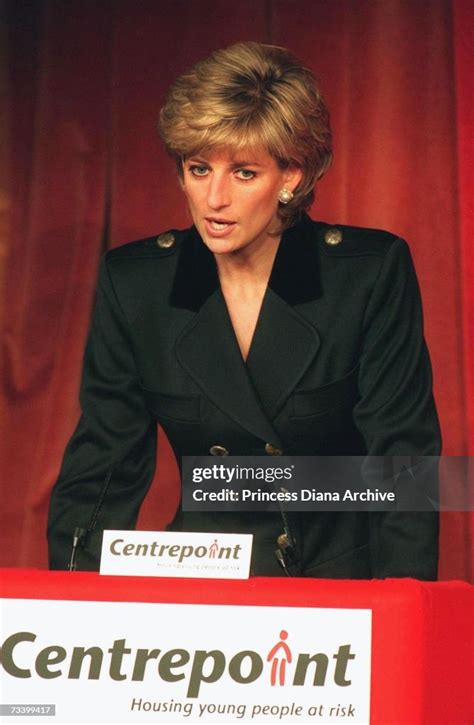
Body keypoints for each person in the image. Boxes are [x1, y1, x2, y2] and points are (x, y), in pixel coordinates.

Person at [47, 41, 441, 578]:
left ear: (291, 177)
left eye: (244, 173)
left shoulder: (366, 273)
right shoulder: (137, 283)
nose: (213, 199)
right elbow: (102, 469)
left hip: (335, 587)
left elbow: (406, 464)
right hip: (200, 588)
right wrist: (73, 604)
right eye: (199, 168)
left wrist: (403, 611)